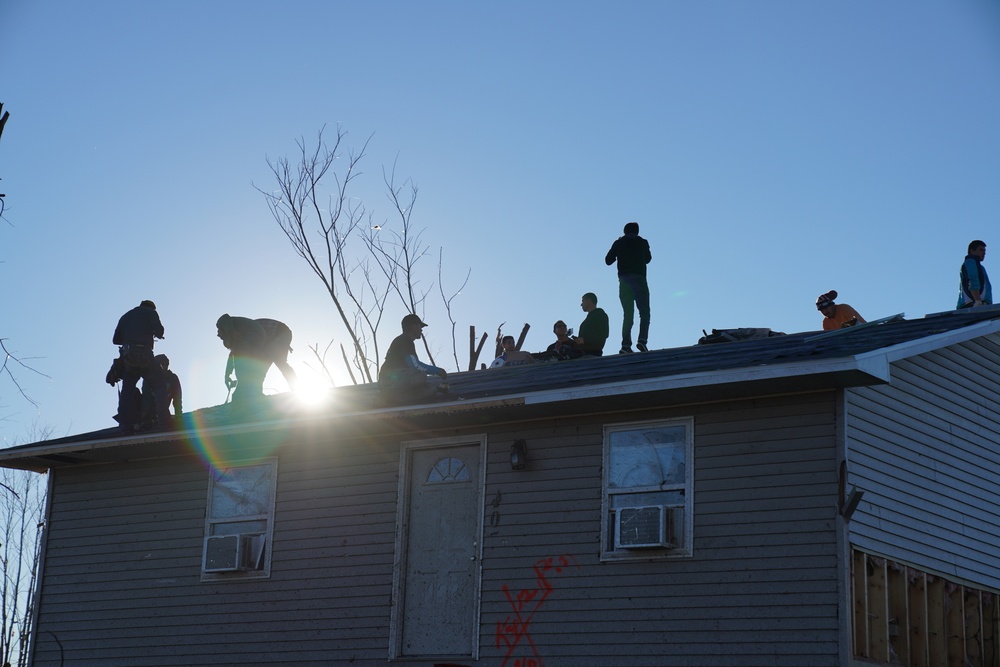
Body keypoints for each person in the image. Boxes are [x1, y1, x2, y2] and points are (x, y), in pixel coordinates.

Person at [112, 300, 170, 432]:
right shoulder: (151, 313)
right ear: (152, 307)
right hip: (144, 354)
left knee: (127, 390)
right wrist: (154, 333)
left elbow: (115, 340)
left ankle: (125, 425)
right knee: (159, 385)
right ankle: (164, 421)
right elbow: (159, 331)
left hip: (128, 357)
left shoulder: (125, 316)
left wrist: (130, 337)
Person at [216, 315, 297, 404]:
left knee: (278, 362)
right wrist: (227, 375)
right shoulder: (239, 340)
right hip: (269, 338)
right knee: (260, 368)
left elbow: (260, 336)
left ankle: (296, 388)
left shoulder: (244, 336)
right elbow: (233, 357)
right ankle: (256, 395)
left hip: (279, 332)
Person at [379, 314, 448, 403]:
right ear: (412, 326)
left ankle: (394, 399)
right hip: (390, 380)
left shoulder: (404, 341)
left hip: (396, 382)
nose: (421, 329)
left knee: (431, 388)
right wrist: (438, 371)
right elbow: (416, 366)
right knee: (421, 375)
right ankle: (389, 393)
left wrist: (438, 389)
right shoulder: (404, 340)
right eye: (419, 326)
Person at [605, 221, 652, 353]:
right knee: (644, 312)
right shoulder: (643, 242)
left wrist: (619, 252)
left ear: (624, 231)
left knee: (628, 314)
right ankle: (642, 341)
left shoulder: (618, 243)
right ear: (637, 231)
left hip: (624, 281)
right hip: (640, 279)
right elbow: (648, 259)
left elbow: (608, 260)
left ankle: (626, 345)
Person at [141, 354, 182, 425]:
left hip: (163, 412)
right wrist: (144, 415)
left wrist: (178, 416)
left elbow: (177, 398)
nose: (164, 367)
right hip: (149, 412)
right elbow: (146, 397)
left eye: (166, 364)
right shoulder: (149, 378)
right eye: (162, 364)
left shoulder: (172, 378)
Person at [958, 240, 992, 309]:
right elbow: (973, 280)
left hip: (977, 304)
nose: (984, 253)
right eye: (981, 250)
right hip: (972, 304)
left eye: (984, 251)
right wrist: (977, 301)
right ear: (972, 251)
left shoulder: (979, 266)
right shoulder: (970, 262)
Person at [575, 292, 609, 356]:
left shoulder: (601, 315)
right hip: (583, 355)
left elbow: (604, 334)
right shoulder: (586, 321)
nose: (581, 304)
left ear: (589, 300)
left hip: (593, 355)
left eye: (583, 301)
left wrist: (584, 340)